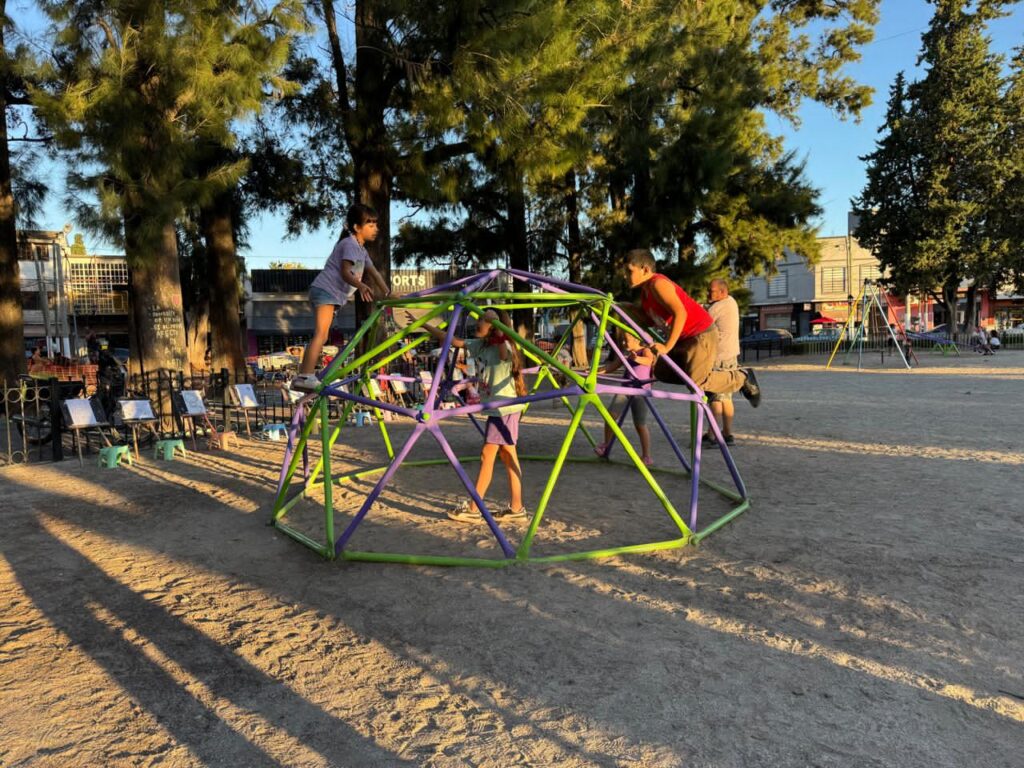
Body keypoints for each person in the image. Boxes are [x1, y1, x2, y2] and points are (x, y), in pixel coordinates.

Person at [409, 308, 529, 522]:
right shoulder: (480, 345)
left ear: (495, 327)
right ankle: (516, 508)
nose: (479, 322)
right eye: (481, 318)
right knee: (507, 457)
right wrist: (423, 324)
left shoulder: (505, 345)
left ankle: (474, 509)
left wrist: (499, 328)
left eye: (484, 319)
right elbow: (453, 340)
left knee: (489, 456)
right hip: (499, 410)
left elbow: (503, 354)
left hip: (504, 410)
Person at [623, 249, 760, 406]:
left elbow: (680, 313)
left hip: (700, 334)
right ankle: (702, 378)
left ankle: (742, 378)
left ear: (645, 269)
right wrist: (625, 308)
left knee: (697, 381)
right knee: (662, 371)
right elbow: (648, 321)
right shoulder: (646, 294)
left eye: (629, 271)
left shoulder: (658, 284)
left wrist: (667, 346)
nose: (625, 276)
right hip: (683, 338)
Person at [290, 204, 391, 391]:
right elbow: (345, 272)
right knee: (321, 334)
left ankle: (304, 376)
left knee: (323, 334)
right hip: (326, 290)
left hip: (330, 294)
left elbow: (375, 273)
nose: (375, 229)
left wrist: (388, 293)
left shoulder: (361, 250)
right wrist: (360, 285)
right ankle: (304, 376)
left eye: (376, 225)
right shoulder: (349, 244)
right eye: (370, 225)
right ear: (357, 227)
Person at [595, 331, 656, 466]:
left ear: (636, 340)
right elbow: (611, 367)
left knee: (640, 424)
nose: (623, 343)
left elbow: (648, 360)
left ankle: (646, 455)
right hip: (625, 389)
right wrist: (594, 372)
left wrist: (636, 359)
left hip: (640, 392)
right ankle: (606, 445)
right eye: (622, 340)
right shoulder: (625, 355)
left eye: (626, 340)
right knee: (610, 415)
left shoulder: (644, 351)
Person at [703, 278, 741, 445]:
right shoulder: (731, 302)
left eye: (711, 291)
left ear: (722, 292)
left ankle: (712, 435)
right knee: (726, 397)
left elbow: (702, 322)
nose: (708, 293)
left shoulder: (717, 307)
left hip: (718, 357)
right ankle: (727, 433)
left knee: (715, 397)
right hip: (731, 356)